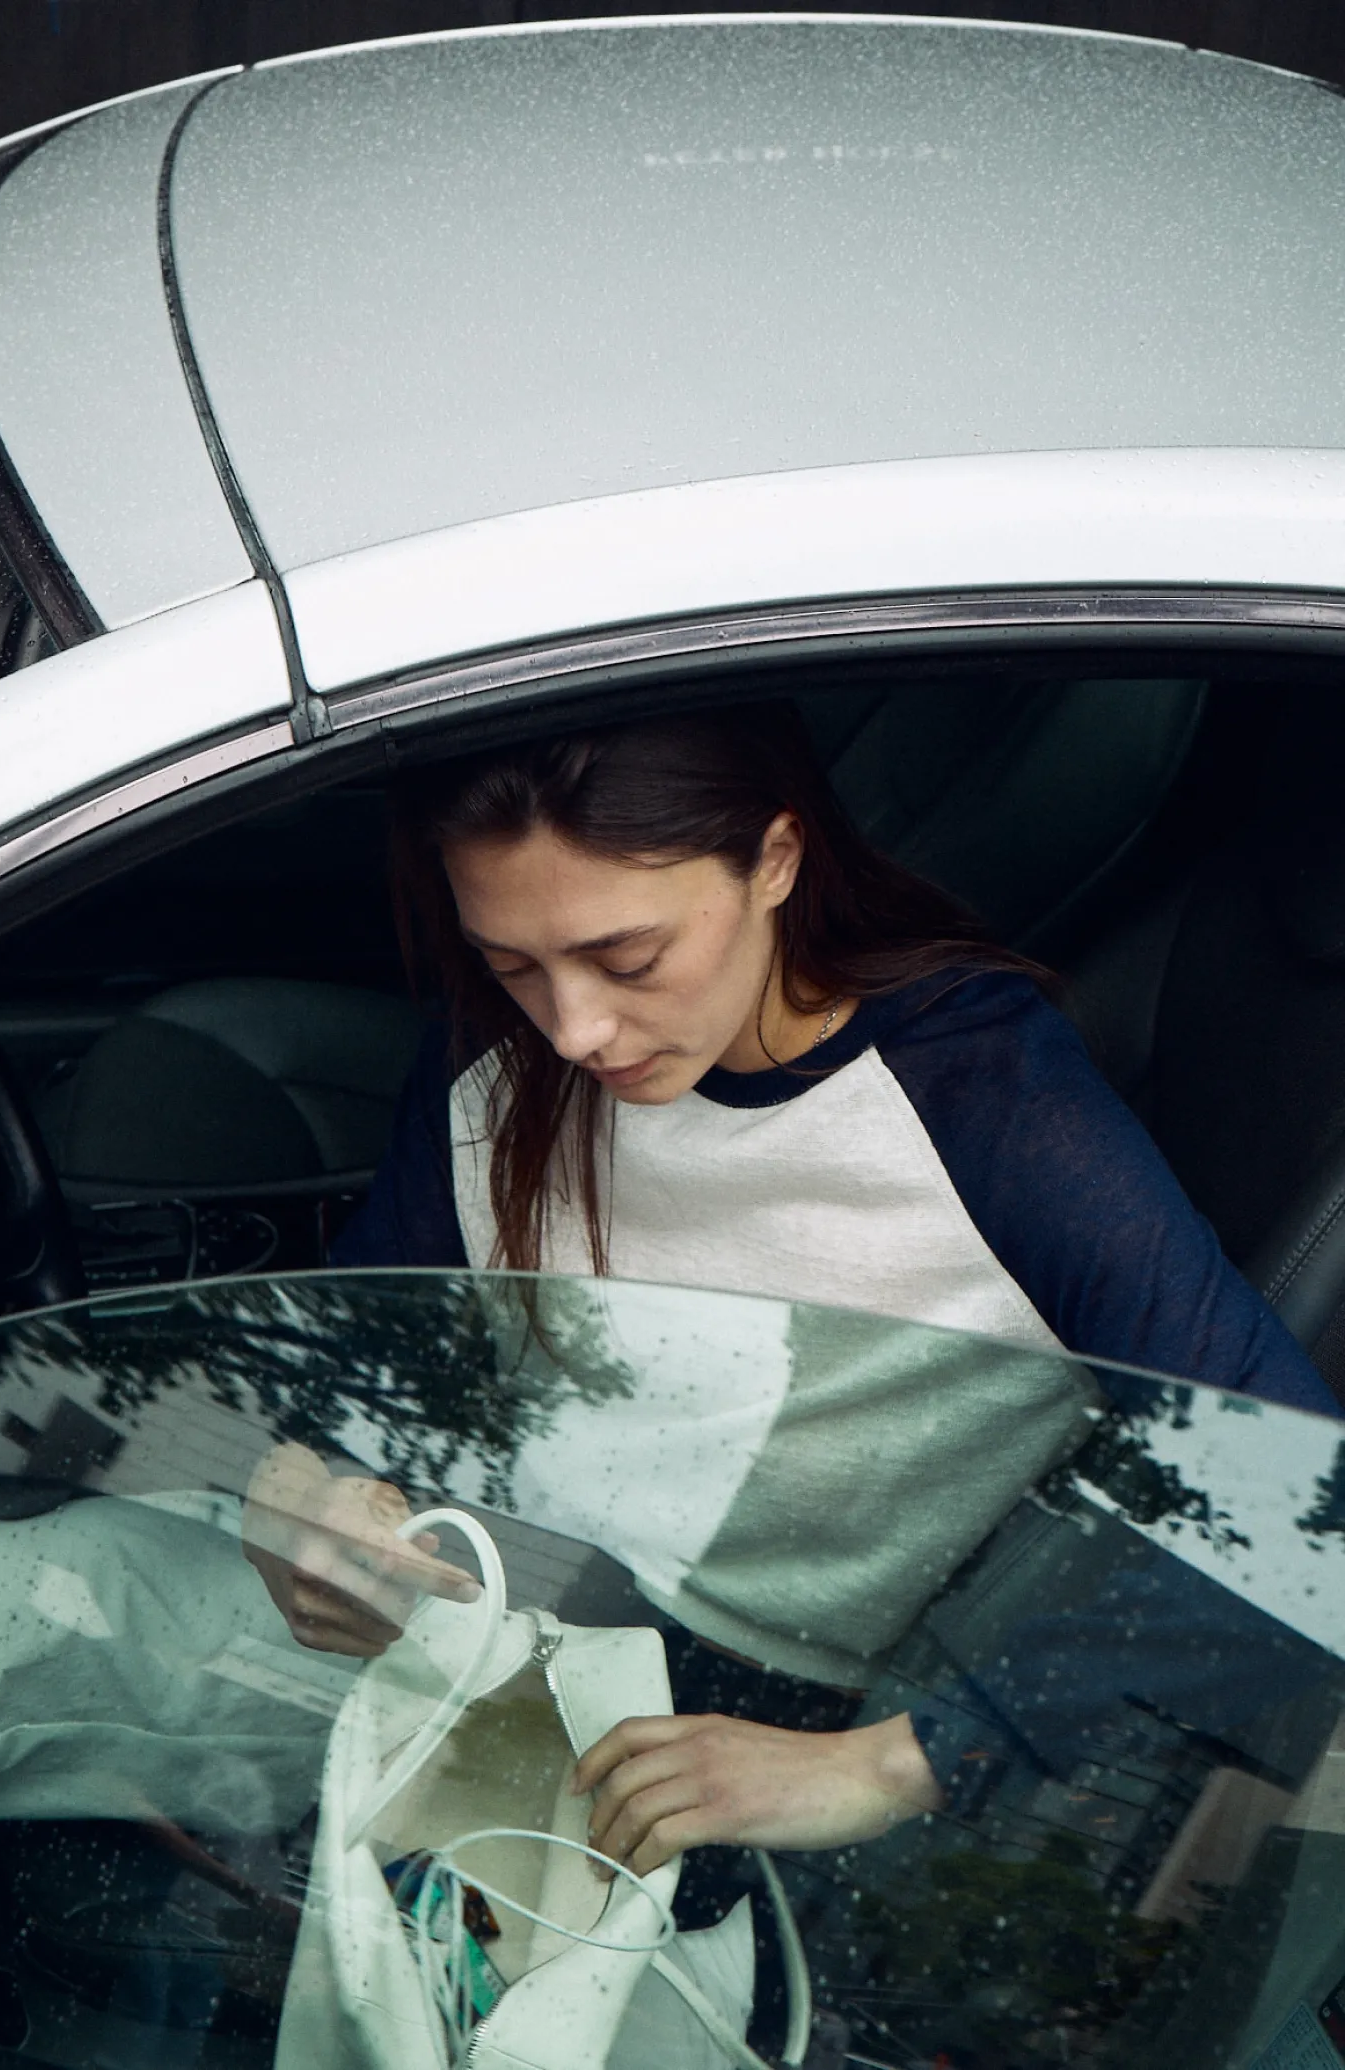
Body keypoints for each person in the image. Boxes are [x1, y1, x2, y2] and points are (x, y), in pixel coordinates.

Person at [246, 701, 1339, 1890]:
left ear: (775, 859)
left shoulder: (987, 1101)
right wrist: (299, 1487)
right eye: (515, 965)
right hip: (465, 1604)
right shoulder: (497, 1044)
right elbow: (361, 1344)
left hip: (701, 1724)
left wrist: (890, 1766)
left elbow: (1298, 1515)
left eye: (629, 958)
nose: (573, 1029)